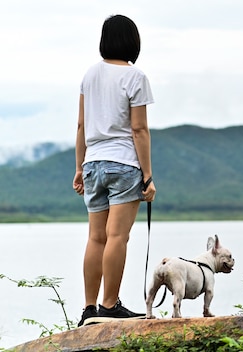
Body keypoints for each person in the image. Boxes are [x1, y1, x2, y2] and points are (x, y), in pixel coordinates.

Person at [72, 14, 156, 327]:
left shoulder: (89, 75)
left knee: (96, 237)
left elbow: (81, 124)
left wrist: (79, 167)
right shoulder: (135, 77)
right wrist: (147, 176)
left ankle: (89, 308)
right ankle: (109, 306)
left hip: (93, 163)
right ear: (133, 42)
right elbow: (139, 129)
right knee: (117, 236)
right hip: (124, 164)